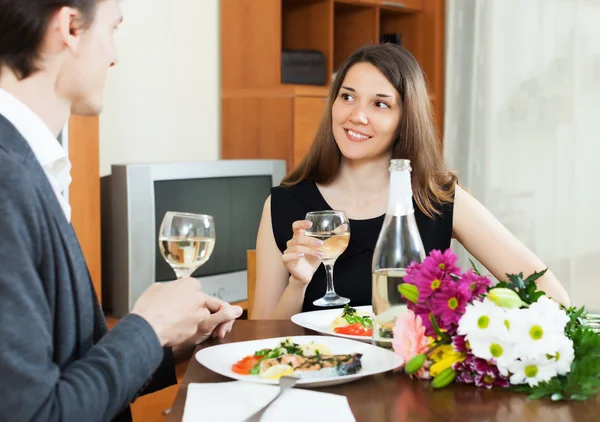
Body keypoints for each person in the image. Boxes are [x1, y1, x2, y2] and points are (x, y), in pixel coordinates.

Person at [0, 1, 242, 421]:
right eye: (112, 29)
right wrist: (148, 326)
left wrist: (169, 340)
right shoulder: (7, 181)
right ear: (70, 27)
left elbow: (69, 372)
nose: (114, 55)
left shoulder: (31, 164)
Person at [252, 43, 570, 319]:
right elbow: (259, 340)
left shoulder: (438, 199)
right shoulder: (282, 205)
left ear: (406, 119)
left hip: (413, 387)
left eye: (380, 104)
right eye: (348, 97)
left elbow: (551, 294)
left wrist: (474, 328)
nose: (357, 116)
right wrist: (299, 282)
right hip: (319, 386)